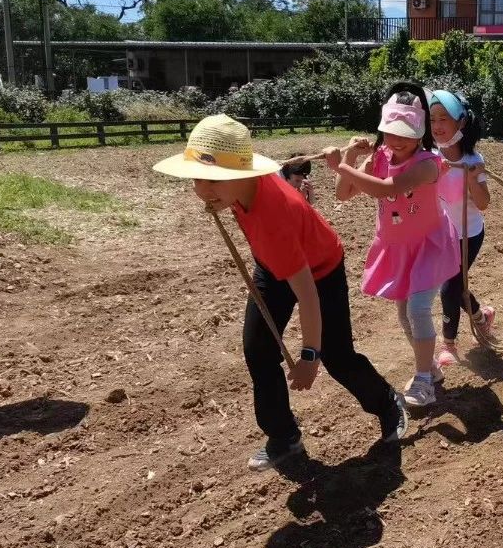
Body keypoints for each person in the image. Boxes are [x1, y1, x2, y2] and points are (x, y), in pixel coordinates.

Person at [152, 114, 407, 472]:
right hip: (273, 266)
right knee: (258, 348)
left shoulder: (274, 217)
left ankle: (387, 403)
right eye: (197, 178)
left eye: (211, 180)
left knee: (336, 356)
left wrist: (309, 355)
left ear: (241, 174)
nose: (201, 189)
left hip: (318, 271)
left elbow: (308, 294)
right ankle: (283, 436)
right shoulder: (238, 189)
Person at [331, 83, 460, 409]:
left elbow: (387, 188)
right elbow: (343, 194)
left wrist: (341, 167)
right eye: (390, 132)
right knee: (405, 314)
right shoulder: (380, 156)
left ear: (420, 133)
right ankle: (430, 369)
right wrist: (349, 156)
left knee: (417, 309)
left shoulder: (428, 164)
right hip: (399, 246)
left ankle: (424, 381)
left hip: (428, 246)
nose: (396, 140)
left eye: (405, 133)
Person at [428, 88, 495, 368]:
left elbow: (484, 204)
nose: (437, 126)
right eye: (432, 120)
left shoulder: (472, 162)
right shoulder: (430, 157)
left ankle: (449, 345)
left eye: (444, 118)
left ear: (461, 122)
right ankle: (481, 316)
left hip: (469, 234)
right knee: (458, 285)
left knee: (450, 286)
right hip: (443, 233)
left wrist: (470, 178)